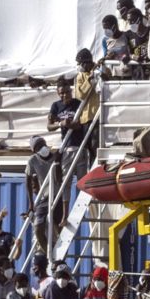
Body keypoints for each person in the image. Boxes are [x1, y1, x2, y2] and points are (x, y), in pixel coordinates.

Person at [47, 81, 86, 225]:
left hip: (80, 146)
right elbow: (49, 126)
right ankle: (65, 215)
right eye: (61, 93)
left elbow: (80, 125)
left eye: (66, 92)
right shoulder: (56, 106)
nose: (64, 95)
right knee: (66, 182)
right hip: (67, 147)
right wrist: (60, 124)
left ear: (71, 90)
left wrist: (67, 123)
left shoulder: (78, 104)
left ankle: (81, 210)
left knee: (82, 180)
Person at [24, 135, 63, 253]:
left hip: (58, 196)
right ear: (34, 150)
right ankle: (48, 253)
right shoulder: (33, 160)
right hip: (44, 197)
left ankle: (60, 254)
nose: (42, 148)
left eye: (42, 144)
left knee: (59, 227)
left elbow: (60, 177)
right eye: (38, 147)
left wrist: (57, 162)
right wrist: (31, 202)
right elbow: (27, 179)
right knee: (38, 228)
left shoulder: (56, 156)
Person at [74, 48, 100, 164]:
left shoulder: (99, 70)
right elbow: (80, 94)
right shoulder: (80, 76)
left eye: (80, 63)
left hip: (97, 116)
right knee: (88, 146)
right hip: (85, 118)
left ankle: (96, 166)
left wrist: (97, 72)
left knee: (96, 145)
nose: (79, 66)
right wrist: (89, 79)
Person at [101, 15, 132, 80]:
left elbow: (132, 52)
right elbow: (105, 56)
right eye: (104, 28)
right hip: (114, 75)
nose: (106, 30)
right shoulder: (105, 40)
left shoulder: (126, 36)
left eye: (108, 28)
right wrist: (108, 56)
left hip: (128, 74)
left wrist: (128, 57)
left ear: (114, 26)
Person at [125, 8, 150, 79]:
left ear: (139, 19)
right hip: (137, 73)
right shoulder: (128, 34)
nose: (130, 23)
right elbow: (127, 53)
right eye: (128, 21)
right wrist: (134, 57)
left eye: (132, 20)